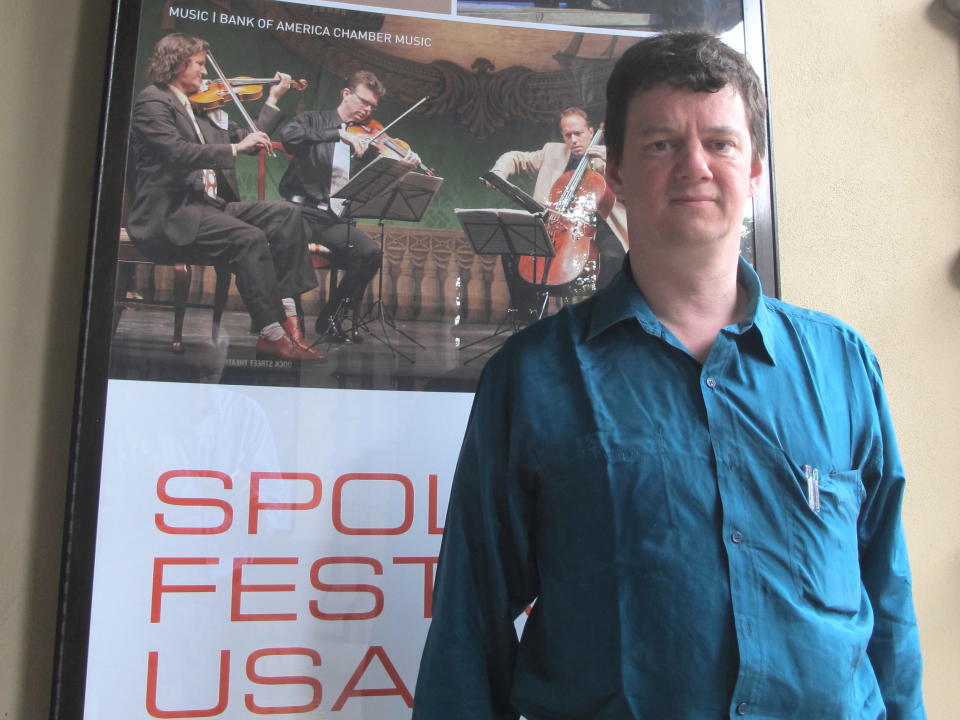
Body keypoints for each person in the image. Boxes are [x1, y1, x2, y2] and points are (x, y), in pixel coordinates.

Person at [414, 32, 925, 719]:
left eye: (720, 142)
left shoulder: (843, 364)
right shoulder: (531, 377)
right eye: (661, 144)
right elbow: (468, 628)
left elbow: (886, 601)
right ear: (616, 173)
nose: (695, 165)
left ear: (754, 171)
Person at [127, 33, 322, 361]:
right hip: (172, 213)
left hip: (205, 206)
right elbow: (177, 153)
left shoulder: (199, 110)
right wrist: (235, 147)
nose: (206, 73)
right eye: (199, 64)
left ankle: (288, 316)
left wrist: (273, 99)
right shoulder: (153, 101)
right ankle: (271, 334)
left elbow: (248, 136)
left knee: (287, 214)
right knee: (249, 238)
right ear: (176, 63)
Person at [278, 70, 396, 343]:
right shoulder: (314, 119)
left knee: (370, 254)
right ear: (346, 94)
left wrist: (394, 163)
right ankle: (291, 324)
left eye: (372, 107)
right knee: (289, 248)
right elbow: (289, 136)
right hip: (300, 212)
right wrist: (338, 135)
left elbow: (364, 184)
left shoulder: (366, 138)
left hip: (333, 218)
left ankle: (330, 317)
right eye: (363, 102)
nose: (367, 110)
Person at [490, 106, 628, 295]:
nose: (573, 140)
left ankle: (603, 312)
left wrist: (611, 162)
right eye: (567, 135)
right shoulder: (552, 152)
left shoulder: (610, 156)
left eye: (578, 134)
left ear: (590, 132)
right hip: (554, 226)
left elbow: (637, 184)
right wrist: (499, 172)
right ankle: (526, 313)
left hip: (601, 226)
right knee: (513, 250)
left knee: (613, 256)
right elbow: (515, 158)